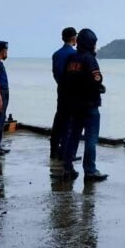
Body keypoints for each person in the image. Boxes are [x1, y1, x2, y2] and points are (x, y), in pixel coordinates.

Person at [61, 29, 108, 182]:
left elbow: (65, 80)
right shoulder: (90, 59)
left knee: (72, 136)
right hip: (89, 104)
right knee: (90, 139)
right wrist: (99, 85)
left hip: (74, 105)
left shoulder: (71, 59)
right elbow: (96, 79)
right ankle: (90, 170)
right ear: (91, 44)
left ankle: (67, 167)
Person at [50, 27, 78, 160]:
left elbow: (56, 74)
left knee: (59, 119)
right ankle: (65, 152)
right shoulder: (74, 54)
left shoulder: (56, 54)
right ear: (74, 38)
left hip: (61, 90)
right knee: (70, 122)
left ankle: (54, 148)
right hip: (72, 92)